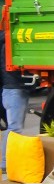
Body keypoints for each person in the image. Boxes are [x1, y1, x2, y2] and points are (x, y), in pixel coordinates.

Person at [0, 30, 28, 171]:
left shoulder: (4, 43)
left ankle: (8, 161)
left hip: (9, 90)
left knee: (13, 127)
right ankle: (5, 163)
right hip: (14, 90)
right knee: (14, 128)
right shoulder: (9, 46)